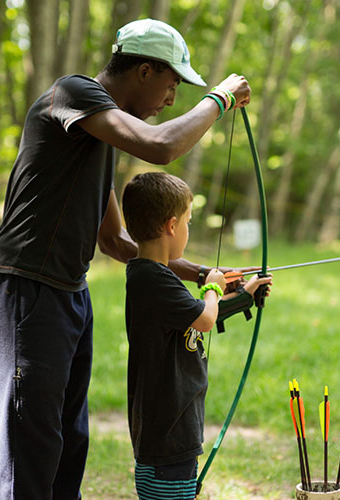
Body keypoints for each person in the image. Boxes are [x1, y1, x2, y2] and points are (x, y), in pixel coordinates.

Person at [0, 18, 252, 500]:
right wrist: (220, 98)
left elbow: (120, 244)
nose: (172, 97)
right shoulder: (72, 95)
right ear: (144, 71)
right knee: (30, 450)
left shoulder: (96, 138)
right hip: (23, 287)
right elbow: (161, 147)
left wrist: (202, 272)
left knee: (67, 441)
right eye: (171, 82)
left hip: (68, 293)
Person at [121, 172, 273, 500]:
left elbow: (193, 316)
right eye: (189, 222)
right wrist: (213, 286)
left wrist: (245, 296)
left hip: (173, 430)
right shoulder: (151, 278)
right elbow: (204, 316)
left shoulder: (154, 275)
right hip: (167, 436)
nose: (188, 231)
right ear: (172, 226)